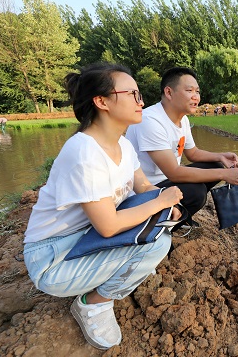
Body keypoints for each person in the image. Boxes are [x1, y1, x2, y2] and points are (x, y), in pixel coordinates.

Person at [23, 63, 183, 350]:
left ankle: (125, 265)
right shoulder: (84, 151)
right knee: (157, 245)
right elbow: (108, 226)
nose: (141, 102)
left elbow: (144, 188)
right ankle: (93, 303)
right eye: (132, 94)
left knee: (159, 220)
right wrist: (160, 202)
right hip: (52, 259)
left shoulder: (122, 145)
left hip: (84, 238)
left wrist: (164, 203)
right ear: (101, 101)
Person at [125, 67, 238, 232]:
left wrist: (221, 157)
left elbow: (193, 153)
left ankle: (182, 215)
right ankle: (162, 228)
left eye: (197, 91)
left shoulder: (183, 120)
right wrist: (226, 175)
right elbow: (173, 172)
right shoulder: (151, 120)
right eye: (189, 91)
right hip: (145, 189)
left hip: (165, 181)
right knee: (196, 192)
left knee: (216, 165)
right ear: (169, 92)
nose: (196, 96)